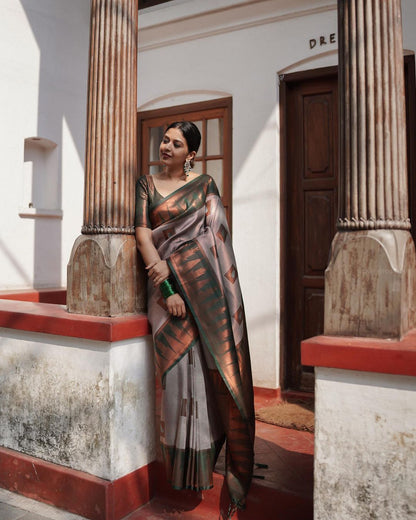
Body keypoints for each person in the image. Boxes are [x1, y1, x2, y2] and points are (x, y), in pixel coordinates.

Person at [134, 121, 255, 518]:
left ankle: (210, 462)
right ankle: (180, 467)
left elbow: (216, 240)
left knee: (206, 374)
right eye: (165, 140)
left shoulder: (205, 187)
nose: (166, 147)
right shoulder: (146, 184)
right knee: (175, 375)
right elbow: (143, 235)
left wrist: (179, 268)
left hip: (204, 290)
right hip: (163, 290)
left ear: (192, 153)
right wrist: (165, 288)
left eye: (176, 143)